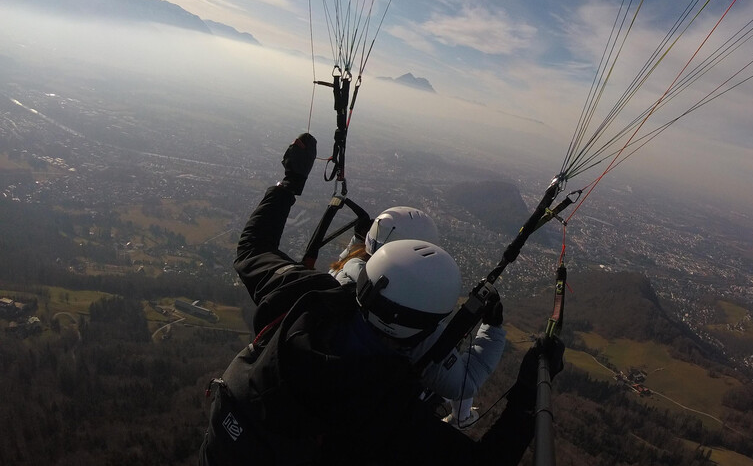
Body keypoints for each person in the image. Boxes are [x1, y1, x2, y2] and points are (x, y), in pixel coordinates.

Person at [200, 134, 563, 466]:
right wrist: (528, 389)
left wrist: (289, 183)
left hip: (222, 443)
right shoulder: (386, 411)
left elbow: (252, 249)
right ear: (424, 328)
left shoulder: (307, 293)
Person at [328, 205, 504, 429]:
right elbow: (464, 383)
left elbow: (352, 262)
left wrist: (357, 241)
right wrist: (493, 328)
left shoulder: (344, 274)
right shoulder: (412, 329)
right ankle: (462, 418)